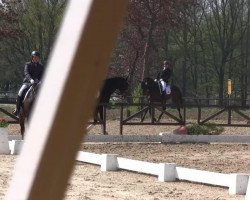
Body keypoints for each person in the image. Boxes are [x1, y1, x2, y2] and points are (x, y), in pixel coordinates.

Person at [12, 51, 44, 116]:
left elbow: (42, 75)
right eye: (35, 57)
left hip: (37, 83)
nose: (36, 58)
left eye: (37, 57)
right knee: (20, 92)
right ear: (32, 57)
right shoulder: (28, 64)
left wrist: (39, 80)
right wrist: (31, 80)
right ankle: (17, 109)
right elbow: (26, 73)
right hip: (27, 83)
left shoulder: (41, 66)